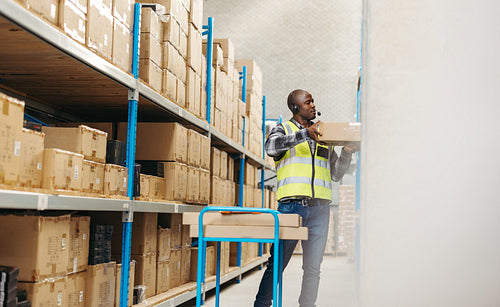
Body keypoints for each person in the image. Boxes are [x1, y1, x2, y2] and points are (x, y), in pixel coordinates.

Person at [254, 89, 358, 307]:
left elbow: (336, 174)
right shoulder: (284, 129)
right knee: (277, 265)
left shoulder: (323, 136)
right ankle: (262, 305)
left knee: (313, 268)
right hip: (291, 208)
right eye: (307, 102)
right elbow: (271, 147)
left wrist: (347, 151)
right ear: (295, 107)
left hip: (320, 209)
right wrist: (304, 134)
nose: (313, 105)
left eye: (313, 102)